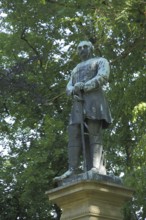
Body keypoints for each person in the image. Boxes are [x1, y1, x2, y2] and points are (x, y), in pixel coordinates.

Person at [54, 40, 112, 181]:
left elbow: (103, 76)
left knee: (94, 134)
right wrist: (73, 89)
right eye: (79, 48)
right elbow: (68, 86)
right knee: (74, 134)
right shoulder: (75, 68)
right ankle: (72, 169)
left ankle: (95, 167)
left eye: (85, 47)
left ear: (91, 49)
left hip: (94, 102)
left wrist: (84, 86)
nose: (81, 50)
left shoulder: (100, 61)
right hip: (78, 104)